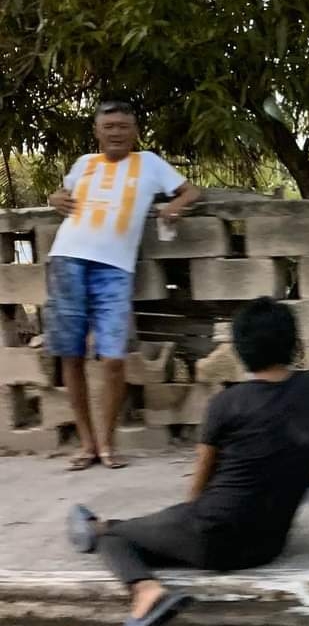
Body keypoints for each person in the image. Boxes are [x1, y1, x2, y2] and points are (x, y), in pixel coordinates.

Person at [66, 298, 309, 626]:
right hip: (268, 546)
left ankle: (144, 591)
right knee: (148, 527)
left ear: (240, 350)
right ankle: (111, 525)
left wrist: (179, 526)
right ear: (293, 345)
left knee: (114, 540)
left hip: (214, 538)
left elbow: (198, 490)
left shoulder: (226, 403)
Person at [46, 99, 201, 470]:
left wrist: (174, 207)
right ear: (97, 131)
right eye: (109, 126)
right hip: (67, 258)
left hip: (115, 268)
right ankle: (87, 445)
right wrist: (54, 197)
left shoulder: (149, 162)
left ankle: (108, 441)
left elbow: (191, 190)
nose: (116, 132)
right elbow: (61, 196)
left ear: (134, 130)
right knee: (71, 354)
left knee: (113, 358)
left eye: (123, 126)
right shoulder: (83, 164)